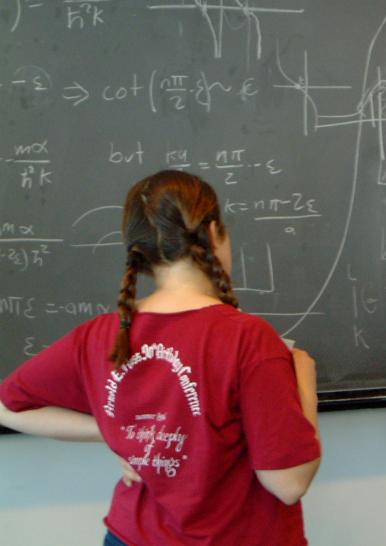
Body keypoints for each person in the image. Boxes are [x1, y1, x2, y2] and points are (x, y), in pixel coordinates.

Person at [0, 170, 321, 546]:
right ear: (214, 232)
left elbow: (7, 407)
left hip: (131, 537)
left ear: (140, 253)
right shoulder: (247, 338)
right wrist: (305, 383)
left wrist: (125, 435)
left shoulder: (98, 334)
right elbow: (288, 482)